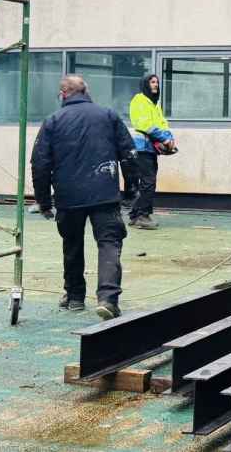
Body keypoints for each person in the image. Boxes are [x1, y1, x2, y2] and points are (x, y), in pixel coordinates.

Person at [30, 75, 137, 320]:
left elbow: (40, 164)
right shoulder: (107, 116)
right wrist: (131, 190)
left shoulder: (53, 121)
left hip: (68, 196)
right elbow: (129, 154)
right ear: (86, 91)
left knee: (72, 245)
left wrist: (44, 202)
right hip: (105, 193)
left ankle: (75, 297)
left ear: (63, 94)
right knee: (109, 243)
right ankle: (108, 299)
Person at [127, 73, 175, 230]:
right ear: (145, 84)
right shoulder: (139, 100)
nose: (155, 85)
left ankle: (135, 215)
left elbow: (162, 122)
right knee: (148, 181)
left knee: (147, 182)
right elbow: (143, 123)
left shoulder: (154, 103)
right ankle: (143, 215)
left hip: (150, 147)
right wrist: (163, 137)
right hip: (141, 147)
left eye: (157, 82)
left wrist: (169, 137)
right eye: (152, 82)